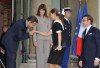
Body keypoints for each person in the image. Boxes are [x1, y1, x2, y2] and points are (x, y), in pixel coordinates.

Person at [33, 4, 52, 68]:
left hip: (47, 39)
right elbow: (34, 30)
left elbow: (50, 30)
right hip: (39, 39)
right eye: (41, 10)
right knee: (40, 56)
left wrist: (51, 41)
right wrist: (34, 40)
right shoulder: (36, 17)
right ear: (39, 10)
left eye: (43, 10)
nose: (42, 11)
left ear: (45, 11)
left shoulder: (48, 18)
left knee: (47, 56)